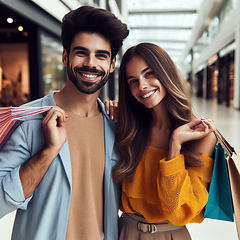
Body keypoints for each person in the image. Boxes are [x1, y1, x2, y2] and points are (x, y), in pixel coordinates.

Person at [0, 6, 129, 240]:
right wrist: (49, 152)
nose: (91, 63)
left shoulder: (116, 125)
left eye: (101, 55)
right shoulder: (28, 119)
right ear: (65, 56)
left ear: (111, 64)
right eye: (81, 52)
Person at [112, 42, 217, 239]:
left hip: (170, 235)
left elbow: (178, 212)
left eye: (149, 73)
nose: (142, 86)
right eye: (133, 81)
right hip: (125, 232)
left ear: (166, 73)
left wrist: (175, 145)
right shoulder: (129, 129)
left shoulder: (202, 136)